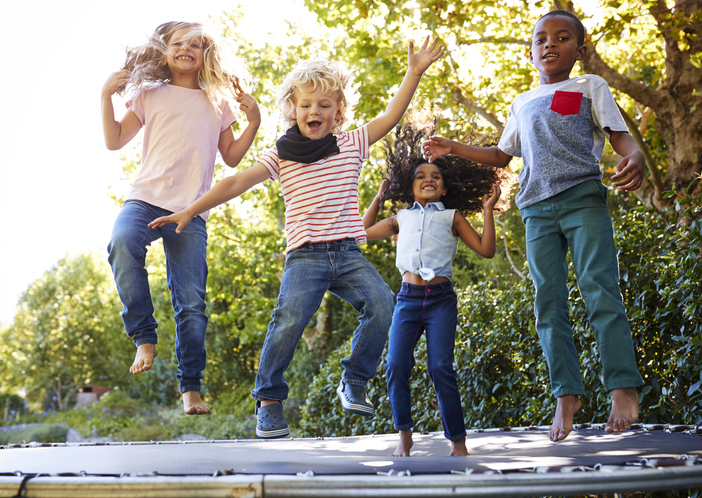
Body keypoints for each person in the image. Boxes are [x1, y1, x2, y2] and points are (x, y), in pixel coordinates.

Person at [148, 37, 444, 438]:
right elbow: (236, 180)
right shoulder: (282, 154)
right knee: (287, 321)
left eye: (324, 105)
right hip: (305, 256)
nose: (314, 111)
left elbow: (391, 116)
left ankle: (354, 380)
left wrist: (413, 72)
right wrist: (189, 209)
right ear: (293, 108)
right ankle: (269, 400)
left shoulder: (351, 142)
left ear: (338, 111)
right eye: (305, 105)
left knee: (381, 303)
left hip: (347, 252)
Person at [422, 10, 644, 442]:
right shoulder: (522, 102)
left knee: (599, 288)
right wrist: (455, 147)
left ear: (579, 51)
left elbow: (620, 137)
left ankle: (622, 386)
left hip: (582, 200)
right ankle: (566, 395)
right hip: (536, 211)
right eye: (541, 39)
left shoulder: (589, 87)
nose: (550, 44)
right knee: (548, 302)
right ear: (531, 52)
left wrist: (633, 155)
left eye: (562, 38)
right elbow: (503, 156)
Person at [102, 21, 261, 415]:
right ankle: (144, 337)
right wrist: (105, 94)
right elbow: (114, 140)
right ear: (165, 50)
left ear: (207, 54)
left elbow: (232, 157)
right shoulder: (149, 94)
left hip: (191, 210)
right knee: (121, 243)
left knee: (191, 303)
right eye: (179, 43)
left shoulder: (218, 102)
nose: (187, 49)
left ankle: (191, 388)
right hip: (145, 198)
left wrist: (254, 120)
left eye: (196, 44)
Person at [363, 123, 502, 456]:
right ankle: (404, 434)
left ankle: (458, 441)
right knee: (396, 365)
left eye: (436, 177)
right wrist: (379, 198)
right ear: (409, 186)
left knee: (440, 367)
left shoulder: (453, 217)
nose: (429, 179)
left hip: (440, 302)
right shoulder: (400, 218)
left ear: (443, 188)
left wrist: (487, 212)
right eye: (421, 176)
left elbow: (486, 250)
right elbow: (363, 231)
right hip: (407, 301)